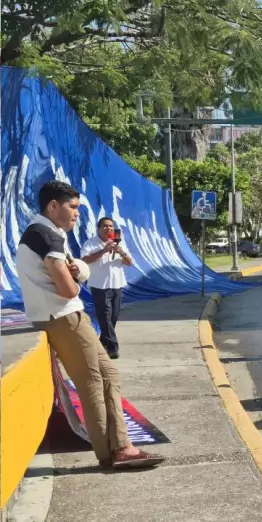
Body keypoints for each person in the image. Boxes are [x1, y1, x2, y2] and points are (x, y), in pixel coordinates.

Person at [17, 180, 163, 470]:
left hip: (70, 315)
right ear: (53, 206)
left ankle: (121, 446)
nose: (77, 214)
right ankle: (112, 452)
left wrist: (79, 270)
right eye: (73, 207)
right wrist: (80, 273)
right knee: (92, 383)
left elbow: (75, 272)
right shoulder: (44, 235)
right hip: (62, 317)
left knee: (108, 374)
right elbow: (68, 289)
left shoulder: (50, 233)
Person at [81, 217, 132, 359]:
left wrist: (122, 252)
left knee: (113, 317)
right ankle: (113, 347)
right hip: (100, 286)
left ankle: (102, 342)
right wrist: (103, 251)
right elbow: (84, 260)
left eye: (110, 226)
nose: (108, 229)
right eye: (105, 226)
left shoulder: (118, 242)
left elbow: (129, 262)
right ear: (98, 228)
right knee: (105, 317)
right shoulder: (91, 243)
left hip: (117, 285)